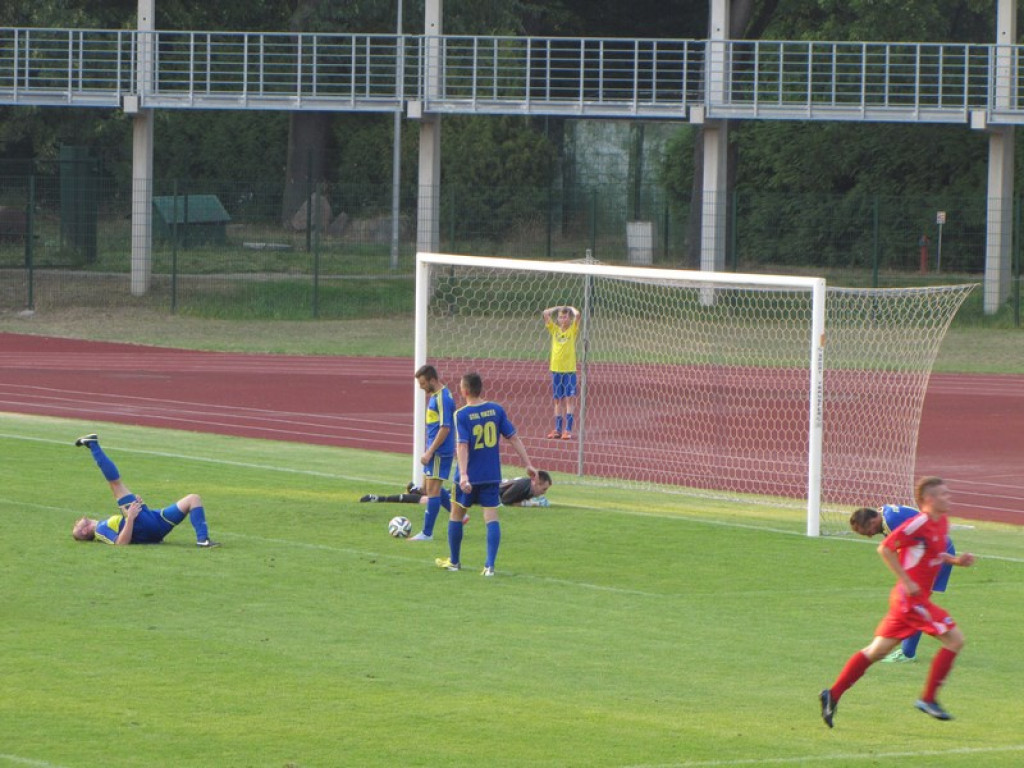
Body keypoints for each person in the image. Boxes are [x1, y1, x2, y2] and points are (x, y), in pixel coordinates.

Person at [820, 477, 974, 728]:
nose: (949, 498)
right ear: (929, 500)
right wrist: (908, 581)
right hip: (911, 600)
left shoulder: (940, 521)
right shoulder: (918, 523)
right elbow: (885, 549)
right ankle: (928, 698)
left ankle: (832, 694)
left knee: (876, 651)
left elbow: (934, 552)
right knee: (955, 639)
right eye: (944, 494)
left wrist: (957, 562)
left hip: (909, 600)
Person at [435, 372, 537, 576]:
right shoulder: (496, 410)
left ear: (464, 391)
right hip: (491, 475)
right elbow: (514, 437)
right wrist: (528, 464)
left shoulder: (461, 415)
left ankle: (454, 562)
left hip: (470, 477)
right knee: (491, 517)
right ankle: (489, 566)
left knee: (456, 515)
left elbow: (462, 445)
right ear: (481, 389)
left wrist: (463, 474)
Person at [849, 503, 957, 663]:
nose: (871, 536)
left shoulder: (892, 522)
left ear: (872, 522)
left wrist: (907, 578)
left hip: (938, 553)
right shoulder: (886, 514)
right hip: (935, 550)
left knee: (916, 603)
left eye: (868, 532)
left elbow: (906, 547)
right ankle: (908, 651)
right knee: (915, 602)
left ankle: (908, 652)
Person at [70, 434, 219, 547]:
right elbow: (120, 543)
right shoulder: (100, 531)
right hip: (144, 525)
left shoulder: (102, 525)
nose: (76, 521)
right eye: (76, 525)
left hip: (155, 523)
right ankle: (93, 445)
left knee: (193, 499)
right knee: (115, 484)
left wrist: (142, 508)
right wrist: (130, 519)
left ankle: (203, 540)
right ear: (84, 531)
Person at [409, 364, 457, 542]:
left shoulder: (443, 398)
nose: (421, 387)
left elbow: (445, 427)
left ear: (432, 380)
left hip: (439, 452)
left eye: (423, 383)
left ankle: (427, 533)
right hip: (434, 450)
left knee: (432, 491)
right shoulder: (436, 396)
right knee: (430, 487)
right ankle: (458, 514)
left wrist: (429, 452)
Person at [360, 471, 553, 508]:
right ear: (535, 482)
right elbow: (505, 500)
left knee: (432, 496)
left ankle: (416, 489)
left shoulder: (526, 485)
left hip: (474, 490)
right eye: (542, 490)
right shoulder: (523, 486)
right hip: (472, 491)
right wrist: (529, 504)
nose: (542, 493)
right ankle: (381, 498)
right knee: (431, 500)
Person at [542, 304, 580, 439]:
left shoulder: (572, 330)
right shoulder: (554, 330)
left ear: (569, 319)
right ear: (557, 319)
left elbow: (578, 315)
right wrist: (557, 308)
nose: (563, 320)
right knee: (558, 400)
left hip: (569, 370)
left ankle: (568, 430)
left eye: (565, 317)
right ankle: (557, 429)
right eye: (560, 317)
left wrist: (571, 308)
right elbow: (545, 314)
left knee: (570, 399)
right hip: (556, 369)